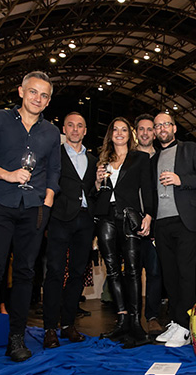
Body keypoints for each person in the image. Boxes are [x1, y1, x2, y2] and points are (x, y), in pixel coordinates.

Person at [0, 71, 61, 368]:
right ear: (20, 91)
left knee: (25, 274)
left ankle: (16, 339)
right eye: (33, 92)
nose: (38, 99)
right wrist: (6, 174)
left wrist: (48, 198)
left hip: (34, 209)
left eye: (44, 95)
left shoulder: (51, 132)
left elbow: (55, 170)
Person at [151, 112, 196, 348]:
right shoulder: (154, 159)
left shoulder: (190, 149)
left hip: (184, 220)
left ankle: (187, 326)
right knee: (170, 275)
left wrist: (180, 179)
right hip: (161, 222)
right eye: (158, 126)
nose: (161, 128)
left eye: (166, 124)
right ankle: (177, 322)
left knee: (186, 273)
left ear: (174, 128)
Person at [93, 117, 152, 347]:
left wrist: (148, 215)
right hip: (106, 216)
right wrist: (98, 183)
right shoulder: (103, 160)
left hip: (129, 216)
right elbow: (95, 193)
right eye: (115, 129)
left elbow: (147, 188)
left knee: (134, 271)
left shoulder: (140, 158)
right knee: (113, 270)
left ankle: (136, 323)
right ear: (111, 134)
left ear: (131, 134)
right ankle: (122, 319)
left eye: (124, 129)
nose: (119, 133)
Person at [41, 112, 96, 349]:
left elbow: (94, 191)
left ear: (85, 131)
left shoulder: (94, 161)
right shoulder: (54, 156)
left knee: (77, 275)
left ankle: (68, 324)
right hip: (60, 220)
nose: (75, 129)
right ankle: (50, 328)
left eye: (80, 126)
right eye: (71, 125)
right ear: (64, 129)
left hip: (85, 222)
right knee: (54, 273)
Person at [135, 113, 163, 335]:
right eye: (141, 129)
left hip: (155, 224)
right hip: (131, 225)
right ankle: (129, 319)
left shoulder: (162, 158)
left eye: (149, 129)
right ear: (136, 132)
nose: (145, 133)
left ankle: (152, 316)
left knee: (155, 272)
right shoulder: (128, 157)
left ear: (155, 132)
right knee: (131, 274)